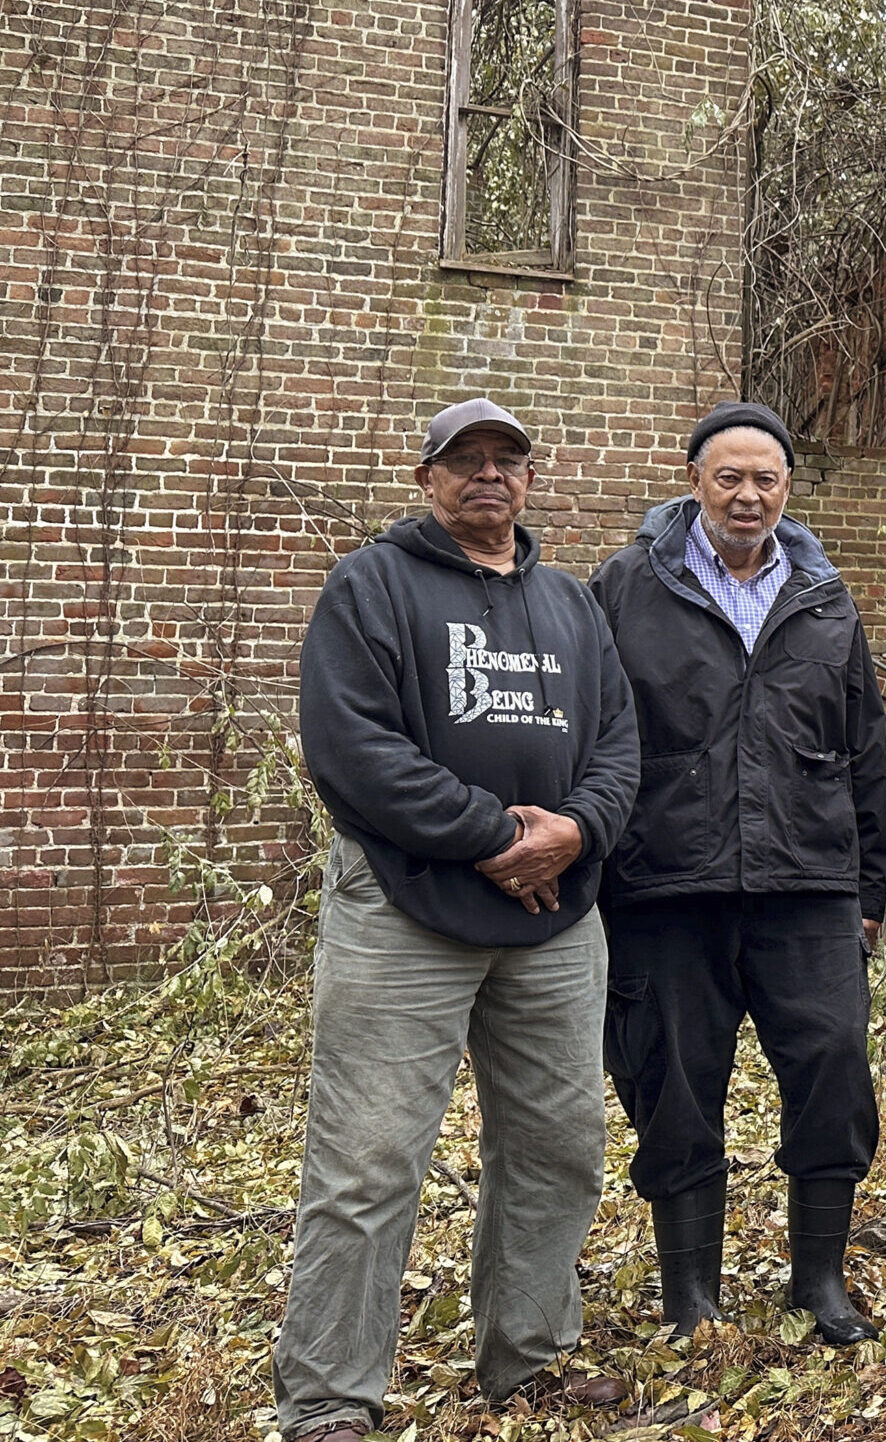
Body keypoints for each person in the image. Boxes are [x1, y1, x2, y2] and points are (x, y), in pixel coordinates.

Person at [277, 398, 640, 1442]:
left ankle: (528, 1357)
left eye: (507, 460)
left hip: (556, 923)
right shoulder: (373, 585)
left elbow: (620, 744)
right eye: (465, 460)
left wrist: (571, 830)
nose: (489, 475)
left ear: (530, 478)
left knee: (560, 1145)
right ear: (426, 476)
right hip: (407, 913)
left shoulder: (572, 602)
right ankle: (329, 1400)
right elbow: (353, 748)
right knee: (370, 1158)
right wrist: (492, 835)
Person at [587, 400, 886, 1347]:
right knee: (674, 1082)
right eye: (730, 478)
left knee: (836, 1068)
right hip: (666, 884)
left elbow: (863, 746)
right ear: (695, 483)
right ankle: (692, 1294)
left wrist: (870, 886)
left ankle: (820, 1280)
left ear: (787, 488)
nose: (749, 495)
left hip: (808, 881)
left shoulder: (824, 592)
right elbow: (596, 733)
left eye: (767, 479)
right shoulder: (625, 587)